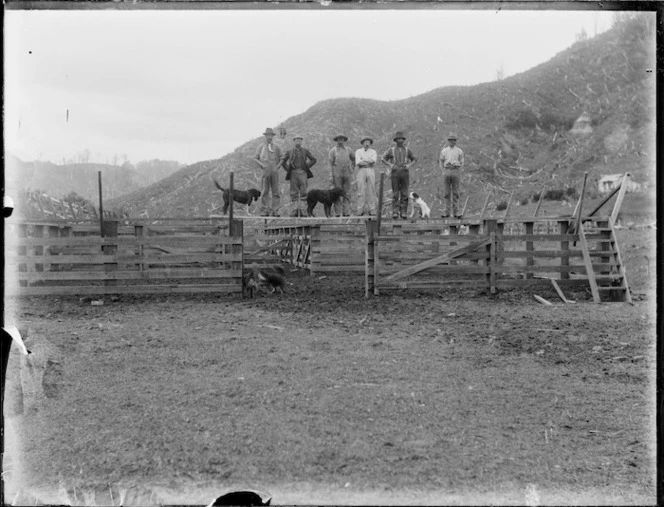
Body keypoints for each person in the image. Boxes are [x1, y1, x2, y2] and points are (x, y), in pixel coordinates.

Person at [278, 134, 317, 217]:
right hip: (293, 173)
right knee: (294, 192)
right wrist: (288, 169)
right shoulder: (289, 151)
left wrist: (306, 167)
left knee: (304, 191)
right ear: (294, 141)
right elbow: (283, 160)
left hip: (303, 173)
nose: (298, 141)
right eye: (296, 140)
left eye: (299, 140)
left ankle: (303, 210)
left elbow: (313, 160)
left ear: (301, 141)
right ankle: (294, 210)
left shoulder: (305, 151)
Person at [381, 131, 417, 219]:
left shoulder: (408, 150)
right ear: (396, 140)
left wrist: (409, 165)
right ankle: (395, 211)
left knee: (404, 192)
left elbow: (415, 159)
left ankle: (403, 211)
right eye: (398, 139)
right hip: (395, 172)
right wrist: (390, 165)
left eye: (401, 139)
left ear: (403, 140)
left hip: (405, 172)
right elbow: (383, 159)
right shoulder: (391, 150)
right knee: (395, 192)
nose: (400, 141)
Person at [252, 127, 283, 217]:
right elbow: (255, 157)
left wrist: (277, 166)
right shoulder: (261, 147)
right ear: (265, 136)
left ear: (273, 136)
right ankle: (265, 209)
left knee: (276, 191)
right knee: (265, 191)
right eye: (268, 135)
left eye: (271, 135)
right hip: (265, 171)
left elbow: (282, 157)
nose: (269, 137)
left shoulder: (277, 147)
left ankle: (275, 210)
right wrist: (261, 165)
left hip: (274, 171)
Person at [328, 134, 355, 217]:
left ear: (344, 140)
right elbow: (330, 163)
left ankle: (346, 211)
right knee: (337, 192)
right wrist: (330, 175)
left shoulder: (349, 150)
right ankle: (338, 212)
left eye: (342, 139)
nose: (340, 141)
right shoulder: (333, 151)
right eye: (339, 139)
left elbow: (353, 158)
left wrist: (352, 168)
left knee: (347, 192)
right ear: (336, 140)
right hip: (337, 172)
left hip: (347, 173)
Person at [438, 133, 465, 218]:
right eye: (450, 140)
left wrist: (459, 170)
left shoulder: (459, 151)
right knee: (446, 193)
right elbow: (441, 161)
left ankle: (456, 212)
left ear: (455, 142)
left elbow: (462, 162)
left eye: (453, 140)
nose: (451, 142)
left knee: (456, 192)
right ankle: (447, 212)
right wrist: (443, 170)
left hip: (455, 170)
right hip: (447, 170)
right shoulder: (444, 151)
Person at [354, 137, 378, 216]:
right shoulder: (358, 151)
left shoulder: (373, 151)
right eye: (365, 142)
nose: (367, 144)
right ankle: (360, 209)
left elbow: (373, 161)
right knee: (361, 189)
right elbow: (358, 162)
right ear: (362, 143)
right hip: (361, 170)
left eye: (368, 142)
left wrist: (363, 161)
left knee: (371, 189)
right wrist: (368, 162)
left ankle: (372, 209)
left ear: (370, 143)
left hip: (370, 170)